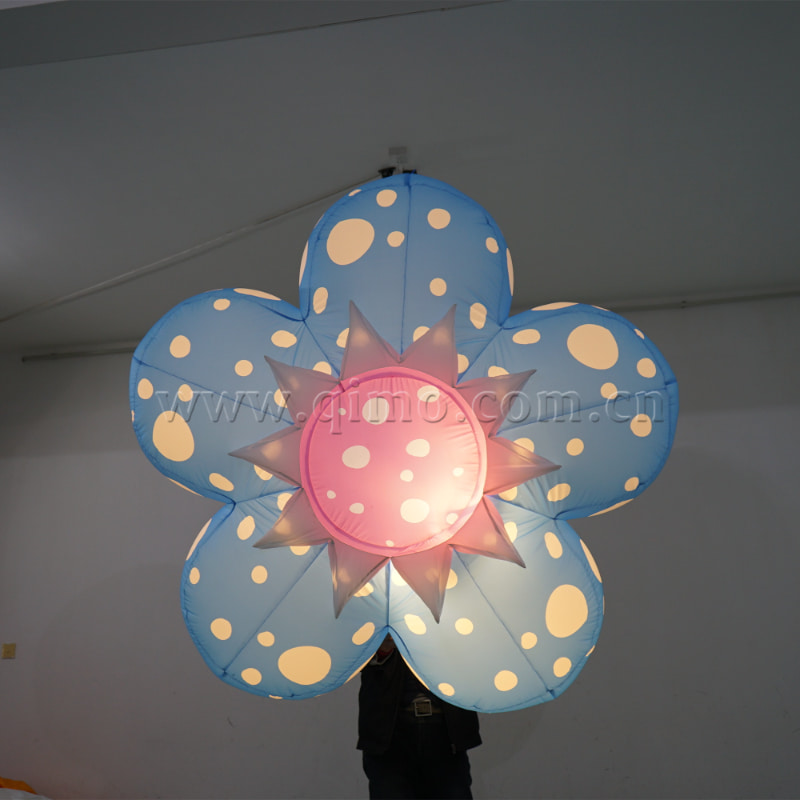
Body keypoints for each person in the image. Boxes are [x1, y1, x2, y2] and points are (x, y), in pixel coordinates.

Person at [358, 634, 481, 799]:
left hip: (446, 734)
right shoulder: (373, 619)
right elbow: (351, 652)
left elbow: (474, 652)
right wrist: (381, 649)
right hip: (389, 735)